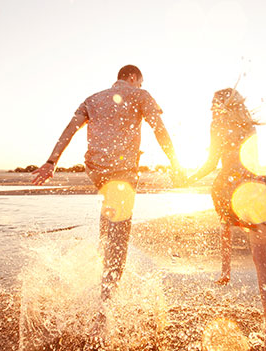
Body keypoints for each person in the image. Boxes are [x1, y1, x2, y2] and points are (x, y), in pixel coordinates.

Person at [31, 64, 184, 339]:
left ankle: (100, 277)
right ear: (134, 78)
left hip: (97, 171)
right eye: (138, 81)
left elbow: (70, 130)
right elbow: (158, 129)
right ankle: (102, 316)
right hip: (122, 172)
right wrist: (175, 162)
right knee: (119, 240)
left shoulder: (93, 99)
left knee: (109, 219)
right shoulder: (140, 94)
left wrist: (51, 162)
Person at [186, 88, 266, 350]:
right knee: (263, 257)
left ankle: (225, 268)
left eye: (213, 103)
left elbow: (211, 163)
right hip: (255, 186)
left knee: (225, 219)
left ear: (221, 104)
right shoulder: (249, 126)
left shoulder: (217, 123)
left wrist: (186, 178)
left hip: (229, 185)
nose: (210, 107)